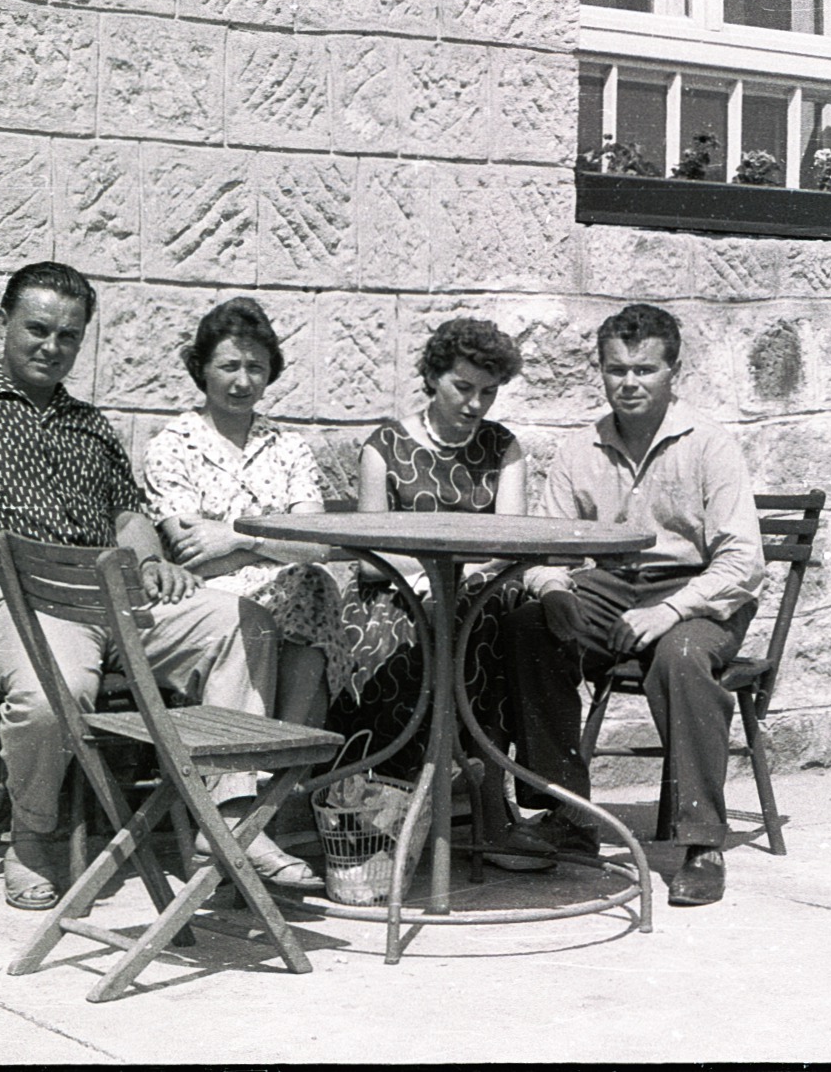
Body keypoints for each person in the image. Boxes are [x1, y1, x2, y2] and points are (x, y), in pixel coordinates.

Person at [0, 261, 278, 911]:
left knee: (243, 621)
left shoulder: (91, 425)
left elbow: (128, 513)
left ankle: (231, 819)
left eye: (68, 336)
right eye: (37, 330)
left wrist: (149, 558)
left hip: (114, 598)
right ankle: (33, 836)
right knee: (55, 694)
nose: (51, 346)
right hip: (20, 603)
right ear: (4, 324)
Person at [501, 303, 765, 906]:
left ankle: (700, 844)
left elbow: (742, 562)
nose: (629, 383)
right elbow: (543, 548)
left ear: (674, 372)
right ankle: (568, 813)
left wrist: (671, 612)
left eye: (645, 370)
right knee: (527, 627)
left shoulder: (709, 444)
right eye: (616, 369)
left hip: (700, 593)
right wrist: (555, 590)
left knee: (680, 657)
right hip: (610, 588)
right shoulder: (581, 449)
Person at [140, 296, 348, 890]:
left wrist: (234, 533)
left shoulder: (287, 447)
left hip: (290, 597)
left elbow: (316, 545)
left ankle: (255, 821)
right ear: (202, 367)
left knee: (311, 597)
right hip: (211, 606)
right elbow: (188, 552)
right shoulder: (172, 445)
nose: (243, 380)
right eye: (229, 366)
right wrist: (273, 534)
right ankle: (247, 827)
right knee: (256, 615)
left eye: (256, 368)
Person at [328, 317, 547, 868]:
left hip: (479, 593)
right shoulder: (385, 447)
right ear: (432, 376)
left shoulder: (504, 448)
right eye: (463, 387)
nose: (476, 404)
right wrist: (430, 573)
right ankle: (376, 815)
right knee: (399, 639)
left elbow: (509, 543)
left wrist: (460, 575)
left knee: (498, 626)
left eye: (489, 392)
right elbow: (370, 553)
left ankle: (492, 816)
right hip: (396, 594)